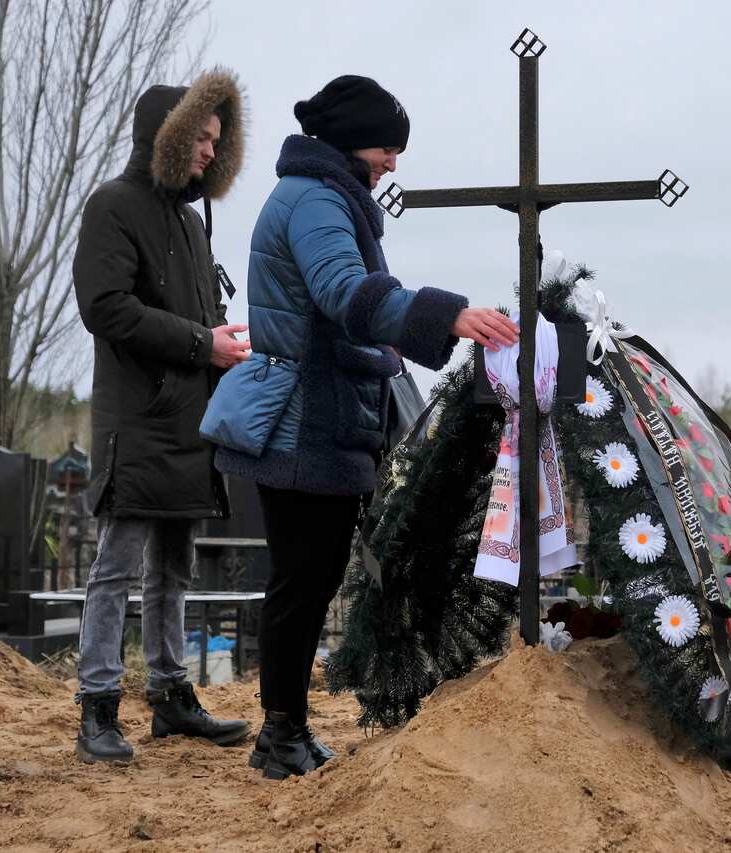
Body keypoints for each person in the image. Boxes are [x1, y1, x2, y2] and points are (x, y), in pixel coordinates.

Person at [212, 75, 518, 779]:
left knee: (311, 580)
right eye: (387, 147)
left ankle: (287, 726)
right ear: (353, 141)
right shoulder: (315, 201)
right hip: (302, 424)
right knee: (301, 582)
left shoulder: (326, 195)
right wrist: (448, 317)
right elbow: (346, 293)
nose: (393, 163)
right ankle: (279, 733)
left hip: (323, 419)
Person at [71, 68, 253, 764]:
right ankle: (97, 707)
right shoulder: (112, 206)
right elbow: (106, 308)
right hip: (138, 418)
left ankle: (172, 696)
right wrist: (200, 342)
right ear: (166, 138)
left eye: (216, 140)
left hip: (188, 419)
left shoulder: (190, 221)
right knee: (116, 565)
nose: (211, 151)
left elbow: (196, 320)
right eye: (201, 139)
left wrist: (223, 339)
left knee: (175, 566)